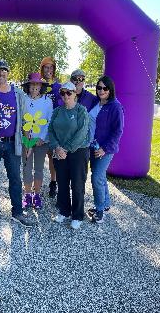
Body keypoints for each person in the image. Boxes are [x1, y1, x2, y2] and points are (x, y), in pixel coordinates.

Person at [0, 59, 33, 228]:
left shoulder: (18, 94)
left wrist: (27, 144)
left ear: (8, 72)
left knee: (15, 178)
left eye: (4, 69)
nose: (1, 73)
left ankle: (17, 212)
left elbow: (26, 122)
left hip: (13, 143)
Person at [48, 82, 90, 230]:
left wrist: (65, 149)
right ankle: (64, 211)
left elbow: (82, 133)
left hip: (78, 152)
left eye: (69, 93)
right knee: (62, 182)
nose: (66, 96)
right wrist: (57, 148)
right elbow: (50, 131)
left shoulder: (81, 111)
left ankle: (77, 215)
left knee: (78, 185)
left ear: (75, 94)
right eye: (63, 93)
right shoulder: (57, 111)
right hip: (60, 152)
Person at [87, 75, 124, 224]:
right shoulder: (96, 103)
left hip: (104, 150)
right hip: (92, 146)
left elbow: (118, 131)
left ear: (110, 90)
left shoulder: (115, 106)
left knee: (96, 177)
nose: (101, 90)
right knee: (100, 176)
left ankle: (100, 210)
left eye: (104, 88)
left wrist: (105, 148)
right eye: (99, 87)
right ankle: (106, 203)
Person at [21, 72, 53, 209]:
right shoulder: (23, 99)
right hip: (26, 141)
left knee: (39, 169)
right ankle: (27, 195)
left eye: (37, 84)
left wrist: (42, 137)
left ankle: (37, 195)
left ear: (41, 86)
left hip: (41, 142)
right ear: (28, 86)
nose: (34, 86)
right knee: (27, 168)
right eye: (32, 84)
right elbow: (21, 119)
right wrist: (26, 136)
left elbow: (50, 121)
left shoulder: (47, 101)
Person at [39, 57, 61, 198]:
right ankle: (36, 186)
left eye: (51, 67)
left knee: (53, 158)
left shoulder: (58, 87)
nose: (48, 70)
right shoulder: (37, 84)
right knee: (38, 158)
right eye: (46, 67)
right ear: (42, 69)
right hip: (39, 127)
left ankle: (53, 183)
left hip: (53, 128)